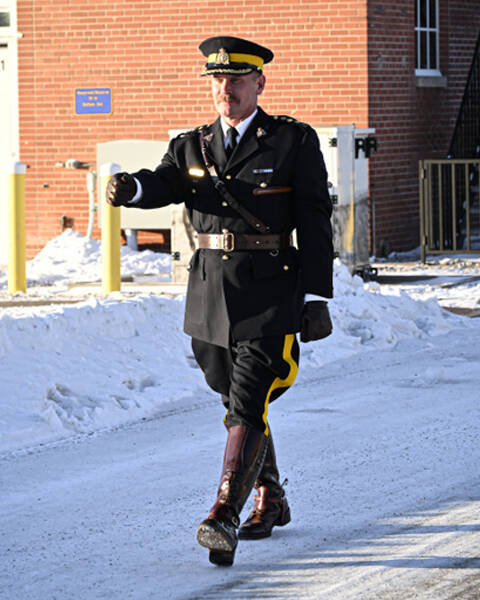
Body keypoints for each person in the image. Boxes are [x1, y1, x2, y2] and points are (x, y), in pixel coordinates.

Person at [106, 35, 334, 567]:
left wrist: (318, 295)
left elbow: (315, 220)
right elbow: (163, 184)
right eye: (216, 79)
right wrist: (133, 189)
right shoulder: (193, 146)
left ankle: (223, 515)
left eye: (235, 79)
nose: (224, 88)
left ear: (260, 83)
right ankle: (272, 497)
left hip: (270, 290)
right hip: (209, 294)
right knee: (234, 400)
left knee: (250, 397)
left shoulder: (291, 142)